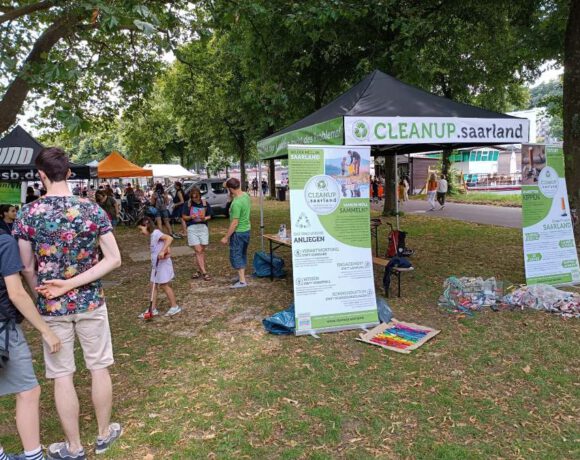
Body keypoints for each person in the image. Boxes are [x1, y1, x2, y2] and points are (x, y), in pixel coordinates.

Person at [14, 147, 123, 460]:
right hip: (90, 302)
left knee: (62, 375)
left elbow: (26, 266)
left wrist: (43, 293)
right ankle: (103, 436)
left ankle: (74, 448)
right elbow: (113, 259)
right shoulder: (91, 210)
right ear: (70, 173)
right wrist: (75, 283)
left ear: (41, 175)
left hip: (51, 305)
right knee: (99, 367)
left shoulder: (28, 214)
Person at [0, 227, 61, 460]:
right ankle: (34, 456)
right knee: (28, 390)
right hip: (3, 329)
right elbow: (16, 293)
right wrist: (46, 330)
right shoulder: (4, 242)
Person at [137, 217, 181, 318]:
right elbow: (165, 244)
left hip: (163, 265)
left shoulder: (156, 233)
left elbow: (169, 238)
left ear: (146, 225)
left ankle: (175, 306)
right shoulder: (153, 235)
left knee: (164, 285)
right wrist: (166, 250)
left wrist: (163, 251)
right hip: (156, 265)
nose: (140, 232)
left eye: (141, 229)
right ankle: (152, 309)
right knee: (153, 285)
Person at [221, 178, 251, 289]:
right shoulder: (245, 195)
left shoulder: (237, 203)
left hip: (238, 233)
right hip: (246, 231)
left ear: (230, 189)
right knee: (242, 253)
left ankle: (242, 281)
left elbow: (234, 223)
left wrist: (226, 237)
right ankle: (241, 276)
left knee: (236, 255)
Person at [183, 187, 212, 281]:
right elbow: (184, 217)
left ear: (200, 196)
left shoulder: (204, 203)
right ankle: (204, 272)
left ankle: (198, 270)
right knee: (198, 250)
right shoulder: (188, 204)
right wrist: (191, 216)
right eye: (193, 197)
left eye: (196, 197)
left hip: (203, 228)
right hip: (192, 228)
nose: (195, 199)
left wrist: (205, 218)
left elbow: (210, 215)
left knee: (201, 251)